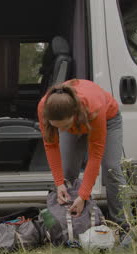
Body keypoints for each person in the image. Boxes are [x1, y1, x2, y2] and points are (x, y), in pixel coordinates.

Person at [37, 79, 129, 229]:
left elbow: (95, 155)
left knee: (111, 167)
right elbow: (51, 145)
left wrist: (84, 195)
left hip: (107, 119)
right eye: (57, 127)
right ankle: (72, 226)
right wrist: (59, 183)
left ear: (74, 113)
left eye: (65, 126)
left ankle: (124, 226)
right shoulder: (44, 107)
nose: (63, 130)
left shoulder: (94, 107)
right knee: (67, 174)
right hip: (75, 121)